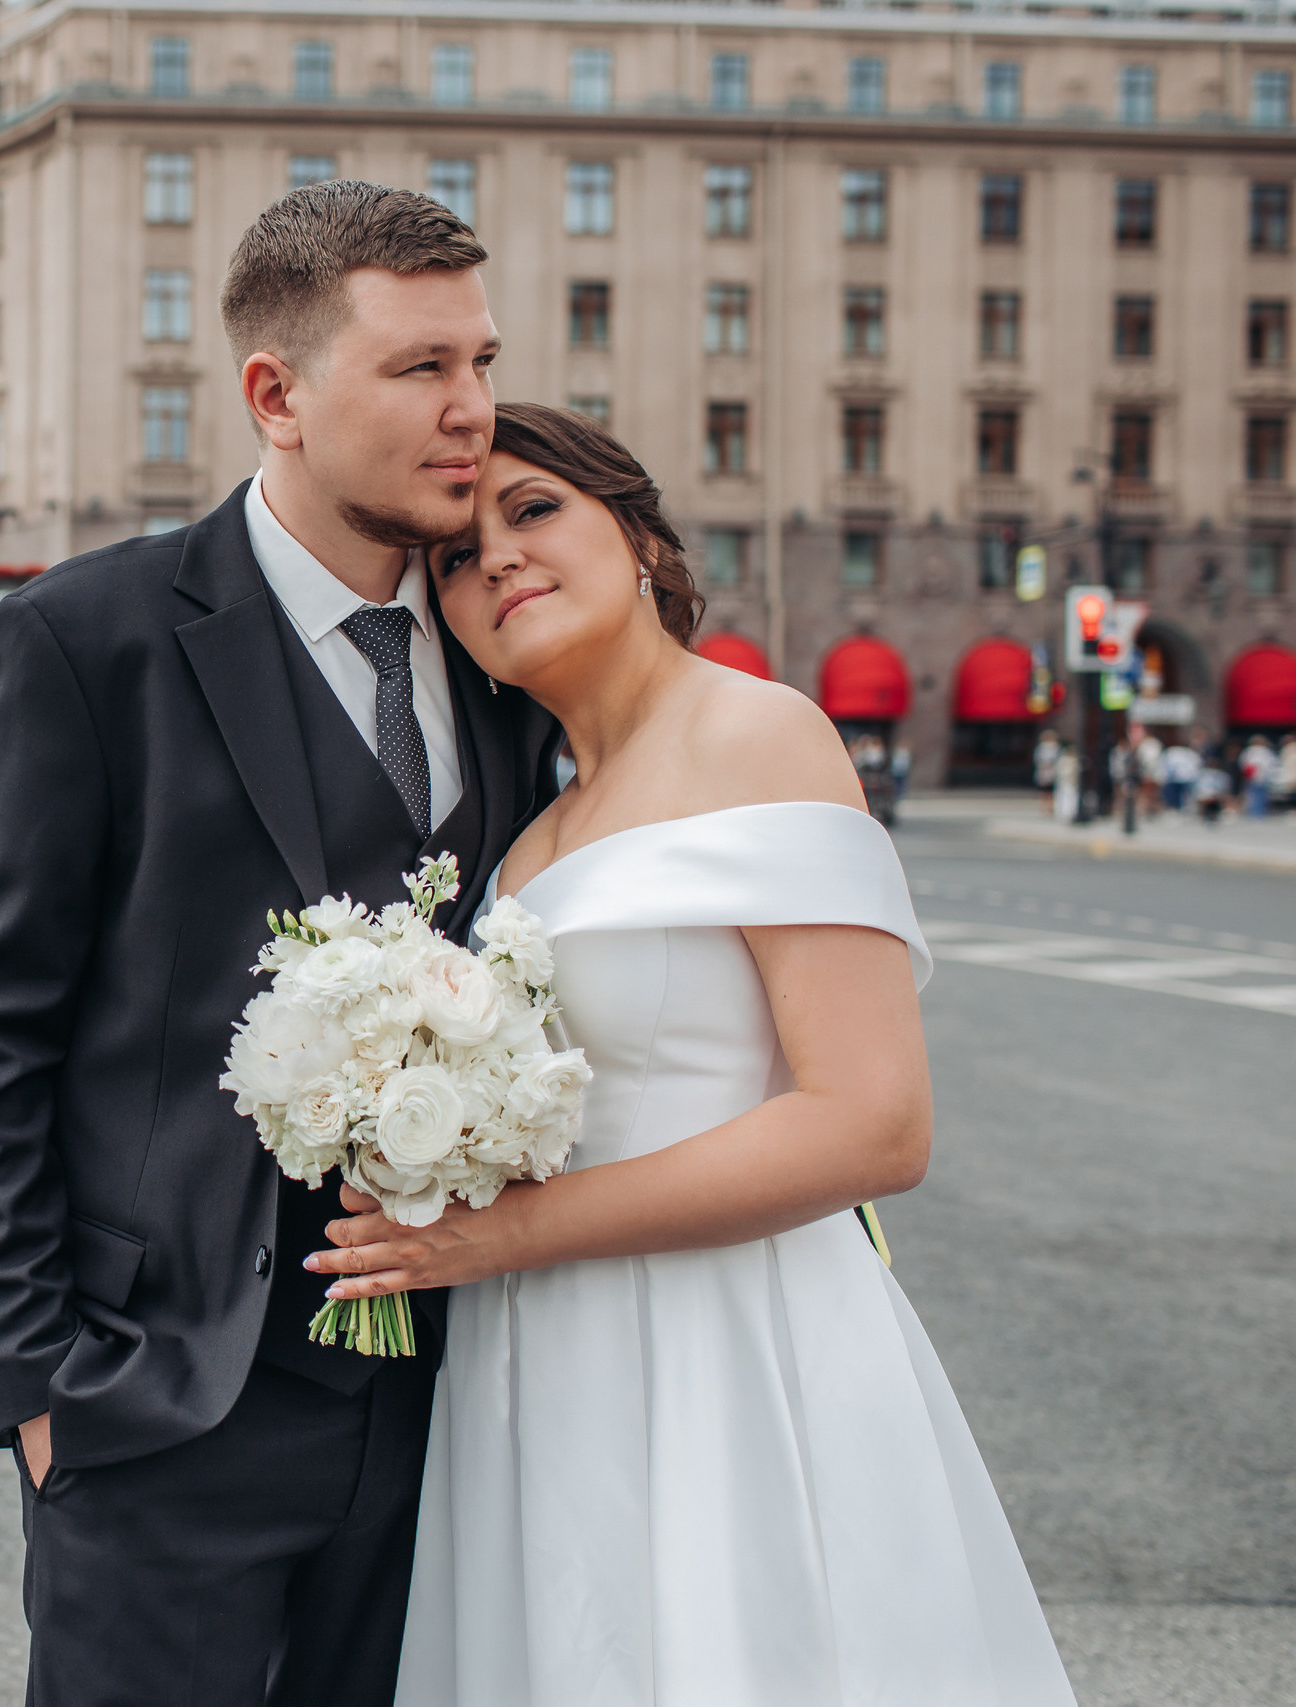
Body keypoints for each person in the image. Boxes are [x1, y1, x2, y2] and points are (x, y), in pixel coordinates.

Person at [0, 182, 558, 1703]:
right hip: (164, 1397)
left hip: (453, 1407)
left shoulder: (511, 661)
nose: (473, 411)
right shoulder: (91, 638)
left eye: (480, 361)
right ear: (276, 394)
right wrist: (36, 1381)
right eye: (420, 370)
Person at [315, 404, 1075, 1704]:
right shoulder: (528, 824)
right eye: (452, 554)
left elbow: (873, 1122)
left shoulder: (758, 734)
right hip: (539, 1353)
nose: (492, 557)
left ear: (642, 534)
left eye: (535, 508)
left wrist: (502, 1235)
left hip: (725, 1341)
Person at [1162, 735, 1200, 815]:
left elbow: (1195, 766)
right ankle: (1177, 810)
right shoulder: (1171, 752)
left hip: (1184, 778)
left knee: (1185, 796)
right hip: (1176, 778)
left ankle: (1184, 810)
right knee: (1175, 795)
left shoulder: (1187, 753)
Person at [1240, 734, 1276, 817]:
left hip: (1253, 777)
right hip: (1260, 776)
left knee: (1253, 796)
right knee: (1260, 796)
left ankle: (1254, 812)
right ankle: (1259, 812)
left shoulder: (1248, 751)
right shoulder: (1265, 751)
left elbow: (1243, 764)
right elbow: (1271, 764)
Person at [1033, 727, 1061, 812]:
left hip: (1052, 770)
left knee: (1050, 789)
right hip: (1045, 771)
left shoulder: (1055, 747)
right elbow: (1038, 759)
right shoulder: (1042, 747)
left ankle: (1049, 806)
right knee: (1044, 789)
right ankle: (1044, 805)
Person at [1053, 740, 1081, 824]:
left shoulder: (1074, 760)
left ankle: (1070, 812)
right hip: (1065, 781)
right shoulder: (1064, 760)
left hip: (1072, 782)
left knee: (1072, 797)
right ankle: (1065, 813)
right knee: (1064, 796)